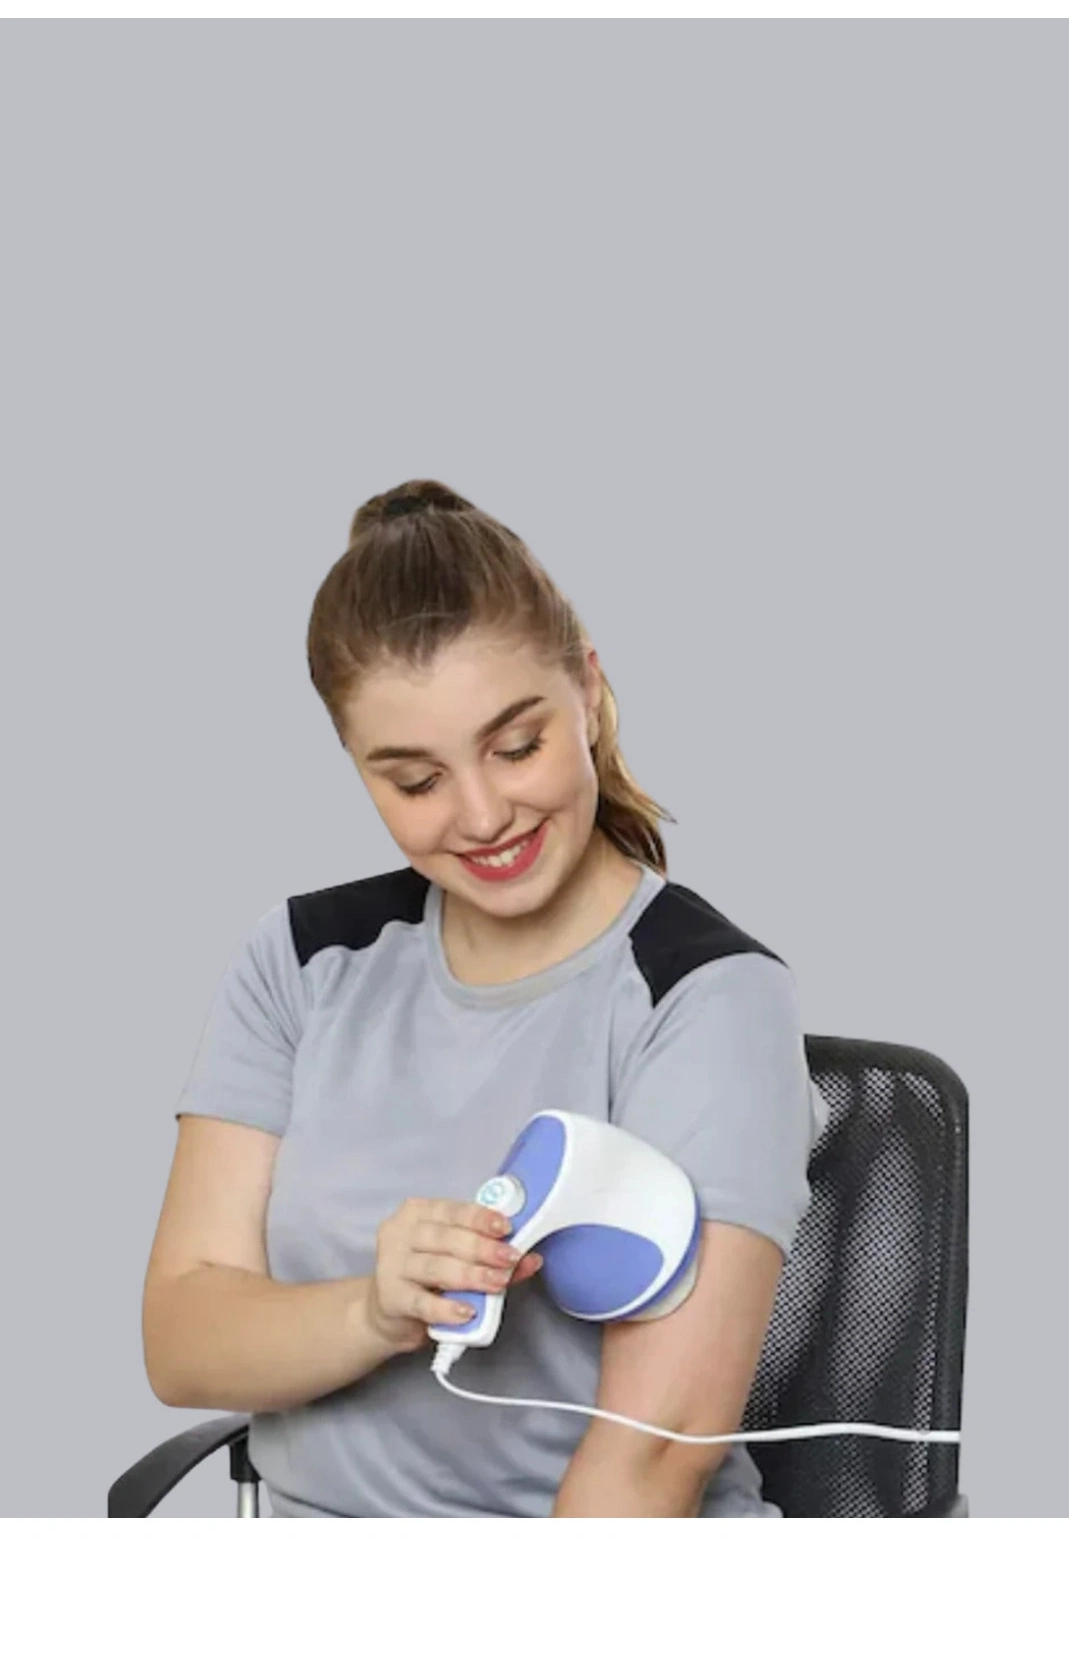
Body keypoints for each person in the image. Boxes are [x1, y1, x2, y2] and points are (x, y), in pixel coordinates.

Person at [142, 479, 824, 1517]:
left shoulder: (706, 997)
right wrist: (375, 1311)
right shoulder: (304, 961)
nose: (480, 815)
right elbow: (183, 1339)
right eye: (415, 782)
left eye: (516, 748)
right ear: (356, 765)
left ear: (587, 687)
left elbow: (651, 1463)